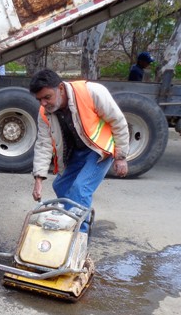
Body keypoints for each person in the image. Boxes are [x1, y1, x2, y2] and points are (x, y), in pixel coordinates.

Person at [29, 69, 129, 231]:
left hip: (100, 150)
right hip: (77, 150)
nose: (43, 103)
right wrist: (38, 179)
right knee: (61, 185)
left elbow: (118, 122)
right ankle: (72, 222)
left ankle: (79, 236)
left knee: (80, 189)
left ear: (60, 88)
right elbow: (43, 144)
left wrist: (121, 156)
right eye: (39, 99)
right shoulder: (44, 112)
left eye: (47, 97)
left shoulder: (92, 92)